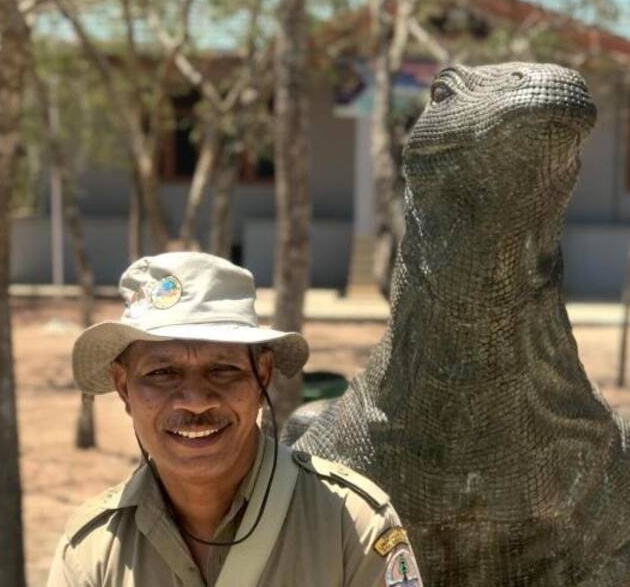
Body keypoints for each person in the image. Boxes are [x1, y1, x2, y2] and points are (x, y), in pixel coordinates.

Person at [46, 252, 423, 587]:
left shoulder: (350, 525)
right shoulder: (93, 550)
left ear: (262, 376)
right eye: (162, 374)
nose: (195, 402)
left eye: (223, 370)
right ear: (124, 388)